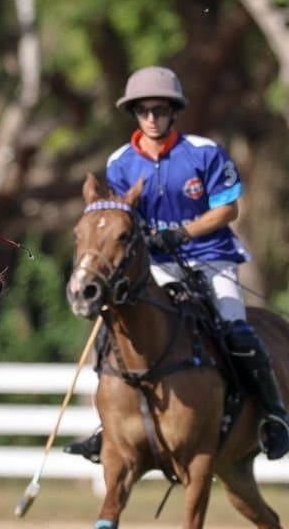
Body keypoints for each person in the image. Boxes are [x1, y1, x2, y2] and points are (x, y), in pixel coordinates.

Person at [65, 65, 289, 463]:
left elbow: (228, 209)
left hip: (212, 258)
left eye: (159, 109)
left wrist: (183, 232)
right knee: (113, 335)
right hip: (156, 266)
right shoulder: (120, 162)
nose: (151, 117)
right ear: (134, 114)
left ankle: (273, 416)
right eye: (143, 110)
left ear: (173, 112)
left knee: (237, 331)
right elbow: (118, 216)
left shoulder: (203, 152)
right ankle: (110, 429)